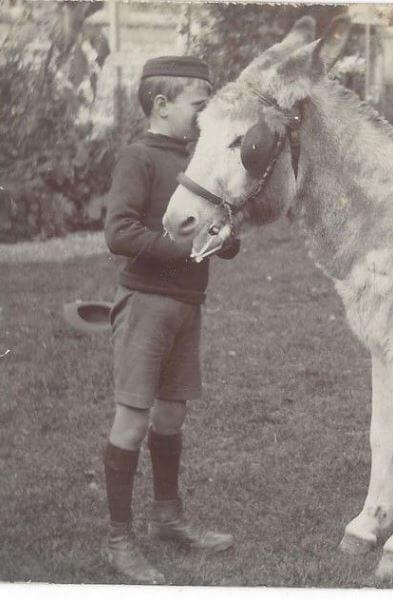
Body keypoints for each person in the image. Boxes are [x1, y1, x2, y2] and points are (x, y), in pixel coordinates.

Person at [101, 55, 240, 584]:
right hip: (146, 306)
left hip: (186, 307)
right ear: (161, 106)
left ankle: (167, 520)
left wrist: (224, 242)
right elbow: (119, 233)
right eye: (198, 108)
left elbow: (209, 229)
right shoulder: (138, 157)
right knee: (134, 419)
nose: (203, 119)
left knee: (171, 417)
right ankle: (119, 540)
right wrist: (180, 251)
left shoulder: (193, 158)